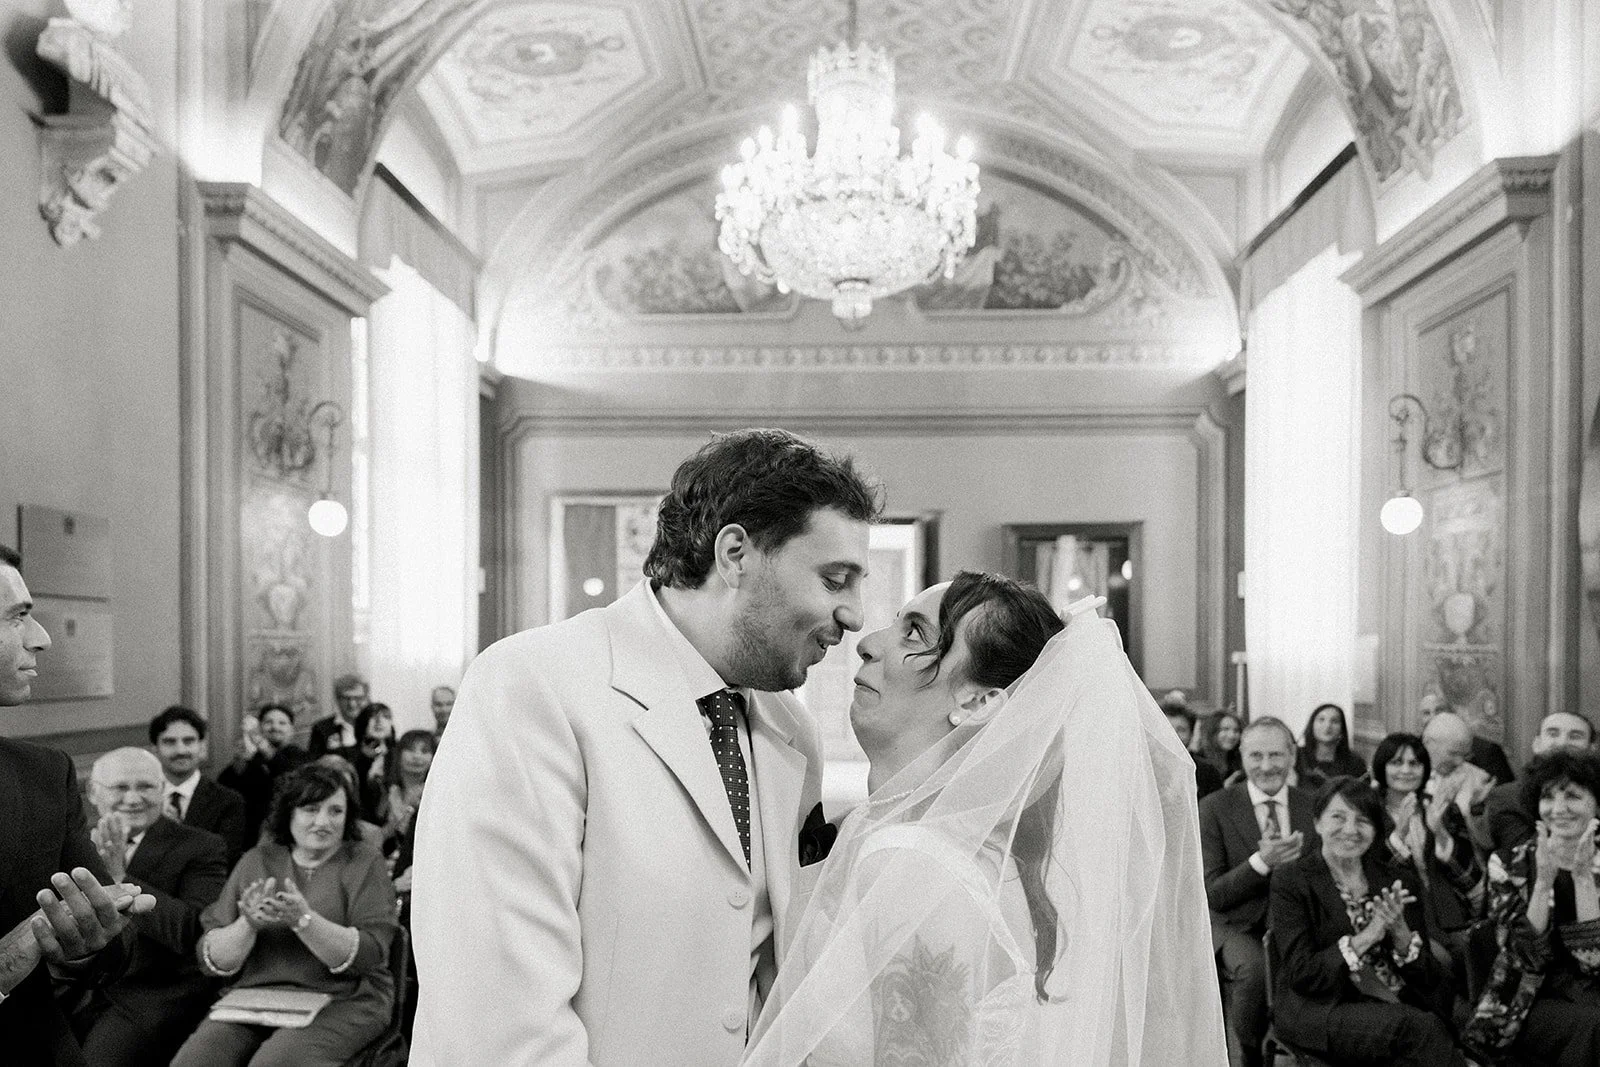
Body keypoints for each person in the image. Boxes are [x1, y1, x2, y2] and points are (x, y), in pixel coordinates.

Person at [410, 429, 880, 1066]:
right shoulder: (535, 685)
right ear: (736, 553)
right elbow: (497, 1009)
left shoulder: (789, 726)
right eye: (834, 579)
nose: (854, 615)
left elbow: (768, 965)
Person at [744, 575, 1226, 1064]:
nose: (868, 643)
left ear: (977, 703)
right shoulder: (980, 857)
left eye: (914, 633)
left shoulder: (917, 865)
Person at [0, 543, 157, 1065]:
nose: (41, 638)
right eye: (18, 617)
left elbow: (111, 954)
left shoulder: (45, 776)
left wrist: (84, 944)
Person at [172, 763, 398, 1067]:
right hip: (258, 996)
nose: (323, 821)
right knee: (194, 1062)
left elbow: (370, 953)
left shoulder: (364, 861)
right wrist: (247, 925)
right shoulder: (256, 860)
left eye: (335, 811)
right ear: (288, 812)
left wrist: (304, 921)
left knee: (274, 1064)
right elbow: (211, 960)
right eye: (311, 809)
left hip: (347, 997)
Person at [1268, 776, 1463, 1065]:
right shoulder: (1292, 881)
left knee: (1428, 1032)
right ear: (1318, 822)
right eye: (1338, 817)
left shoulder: (1396, 879)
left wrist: (1400, 935)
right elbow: (1302, 973)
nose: (1350, 830)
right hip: (1324, 1007)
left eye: (1362, 820)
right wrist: (1368, 935)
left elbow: (1428, 974)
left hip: (1393, 1000)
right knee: (1421, 1030)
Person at [74, 748, 230, 1067]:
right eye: (120, 788)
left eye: (145, 787)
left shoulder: (202, 846)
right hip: (79, 986)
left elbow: (190, 931)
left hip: (154, 994)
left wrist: (119, 877)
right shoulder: (75, 843)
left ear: (162, 790)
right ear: (93, 793)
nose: (133, 799)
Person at [1463, 749, 1600, 1064]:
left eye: (1573, 797)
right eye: (1548, 797)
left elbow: (1593, 963)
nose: (1559, 809)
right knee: (1592, 1022)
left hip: (1590, 986)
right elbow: (1521, 956)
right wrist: (1542, 885)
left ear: (1596, 804)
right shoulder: (1511, 864)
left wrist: (1581, 878)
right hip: (1524, 998)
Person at [1199, 716, 1319, 1067]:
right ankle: (1248, 1055)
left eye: (1276, 755)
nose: (1266, 766)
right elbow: (1213, 894)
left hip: (1297, 920)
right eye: (1256, 756)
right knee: (1254, 972)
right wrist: (1262, 862)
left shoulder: (1313, 806)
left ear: (1292, 756)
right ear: (1241, 756)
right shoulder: (1214, 807)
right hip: (1234, 923)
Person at [1371, 732, 1481, 976]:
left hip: (1447, 912)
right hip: (1398, 917)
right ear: (1382, 767)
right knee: (1439, 960)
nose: (1406, 770)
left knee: (1477, 952)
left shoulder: (1441, 808)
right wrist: (1398, 835)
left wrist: (1439, 831)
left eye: (1414, 763)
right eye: (1397, 763)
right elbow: (1374, 872)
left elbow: (1471, 876)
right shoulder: (1368, 812)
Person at [1482, 711, 1594, 854]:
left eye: (1575, 736)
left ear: (1591, 749)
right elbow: (1523, 859)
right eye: (1553, 734)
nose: (1562, 743)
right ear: (1537, 744)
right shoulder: (1507, 798)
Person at [148, 705, 248, 864]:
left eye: (188, 741)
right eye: (169, 742)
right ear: (155, 749)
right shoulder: (142, 799)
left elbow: (223, 860)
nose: (180, 750)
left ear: (202, 747)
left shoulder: (228, 801)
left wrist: (175, 832)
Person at [218, 703, 308, 845]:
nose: (275, 727)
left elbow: (287, 772)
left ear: (291, 730)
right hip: (250, 833)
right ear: (261, 727)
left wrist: (258, 739)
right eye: (268, 722)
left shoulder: (298, 755)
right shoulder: (252, 756)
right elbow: (226, 786)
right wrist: (240, 761)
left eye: (282, 723)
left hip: (289, 831)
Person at [1422, 711, 1498, 852]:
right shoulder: (1404, 776)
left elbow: (1486, 843)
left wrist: (1474, 811)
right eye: (1453, 753)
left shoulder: (1480, 780)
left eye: (1464, 755)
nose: (1459, 761)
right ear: (1428, 743)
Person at [378, 729, 435, 857]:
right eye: (411, 750)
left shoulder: (434, 795)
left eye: (424, 751)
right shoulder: (384, 791)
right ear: (399, 754)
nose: (417, 756)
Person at [1296, 703, 1368, 787]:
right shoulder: (1297, 756)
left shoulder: (1355, 763)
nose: (1327, 726)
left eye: (1334, 721)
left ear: (1342, 729)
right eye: (1321, 720)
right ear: (1311, 725)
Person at [1167, 703, 1225, 799]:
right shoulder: (1145, 768)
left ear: (1191, 734)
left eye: (1181, 730)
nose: (1174, 735)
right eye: (1168, 729)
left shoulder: (1208, 772)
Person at [350, 702, 396, 823]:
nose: (379, 721)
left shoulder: (398, 754)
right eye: (373, 717)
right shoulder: (349, 755)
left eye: (385, 717)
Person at [308, 673, 368, 759]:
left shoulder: (376, 726)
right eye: (346, 698)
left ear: (366, 699)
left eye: (357, 698)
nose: (352, 704)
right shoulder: (321, 728)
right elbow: (315, 765)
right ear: (337, 700)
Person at [1200, 709, 1245, 786]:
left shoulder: (1239, 759)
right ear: (1212, 732)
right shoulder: (1200, 761)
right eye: (1225, 729)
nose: (1232, 735)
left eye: (1236, 730)